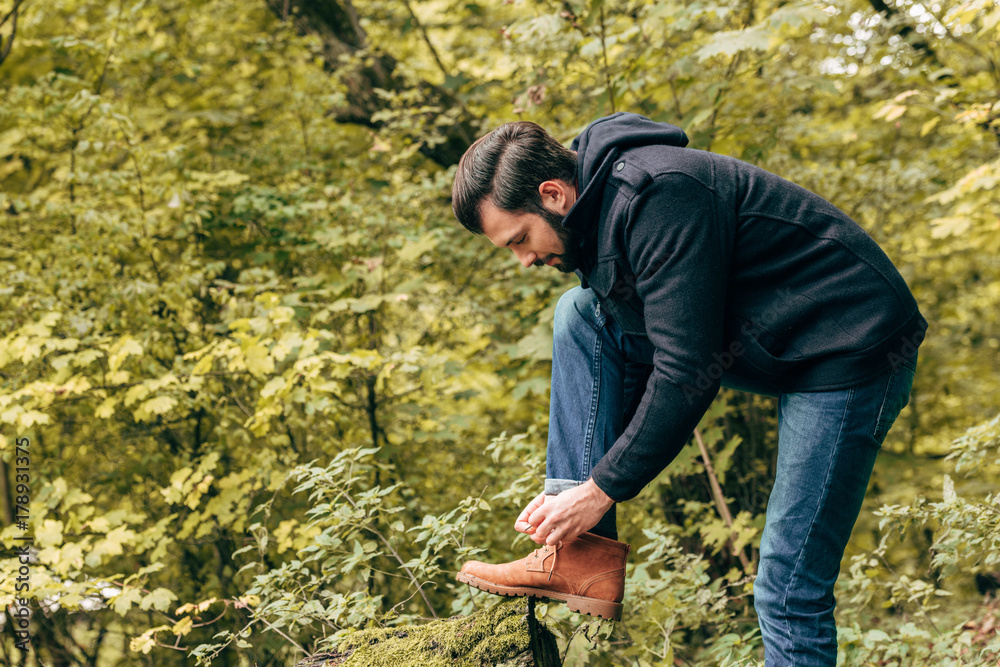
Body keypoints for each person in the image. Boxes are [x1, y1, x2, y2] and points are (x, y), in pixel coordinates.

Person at [449, 112, 926, 665]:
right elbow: (635, 359)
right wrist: (573, 497)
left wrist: (601, 488)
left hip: (854, 346)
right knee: (580, 314)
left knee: (788, 584)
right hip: (776, 344)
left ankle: (582, 531)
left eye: (519, 239)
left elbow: (684, 370)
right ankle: (579, 555)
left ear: (553, 194)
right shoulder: (599, 223)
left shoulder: (662, 197)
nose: (524, 259)